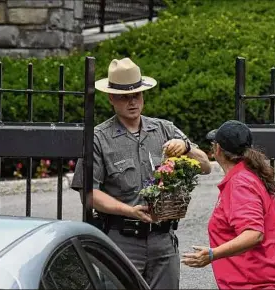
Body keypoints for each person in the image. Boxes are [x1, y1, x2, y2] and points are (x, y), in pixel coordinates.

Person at [70, 57, 211, 289]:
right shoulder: (98, 138)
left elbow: (205, 166)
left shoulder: (164, 129)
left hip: (163, 241)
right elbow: (88, 194)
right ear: (111, 98)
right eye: (124, 97)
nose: (132, 102)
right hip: (121, 241)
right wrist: (130, 211)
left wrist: (187, 148)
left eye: (136, 95)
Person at [181, 120, 275, 289]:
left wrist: (212, 254)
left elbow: (253, 233)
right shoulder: (247, 175)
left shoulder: (240, 183)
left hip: (258, 284)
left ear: (217, 149)